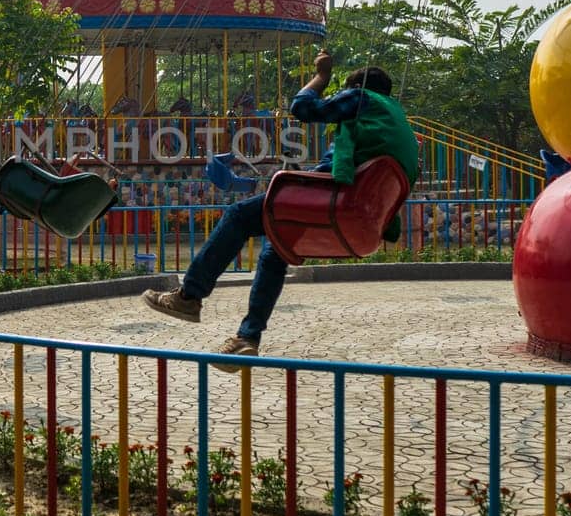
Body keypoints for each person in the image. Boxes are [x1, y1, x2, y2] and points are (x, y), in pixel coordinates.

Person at [141, 55, 419, 367]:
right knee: (274, 252)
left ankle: (189, 297)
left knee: (237, 216)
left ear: (356, 88)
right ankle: (247, 339)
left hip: (331, 199)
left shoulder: (362, 98)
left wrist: (321, 78)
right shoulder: (401, 128)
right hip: (365, 220)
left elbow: (301, 107)